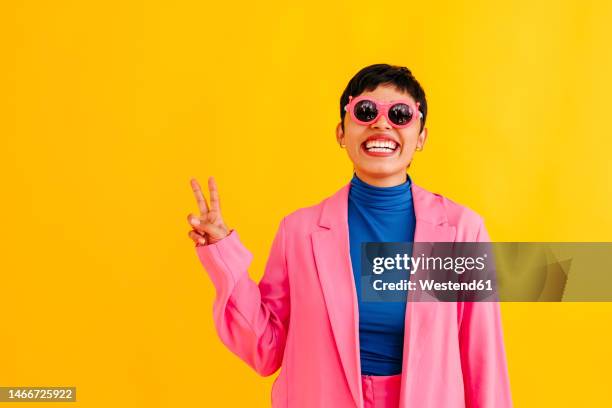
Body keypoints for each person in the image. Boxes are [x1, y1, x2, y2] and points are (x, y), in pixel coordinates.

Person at [186, 64, 512, 407]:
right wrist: (223, 255)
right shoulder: (298, 232)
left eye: (400, 115)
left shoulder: (461, 231)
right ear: (341, 132)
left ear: (421, 138)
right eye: (366, 112)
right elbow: (266, 349)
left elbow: (482, 358)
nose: (381, 124)